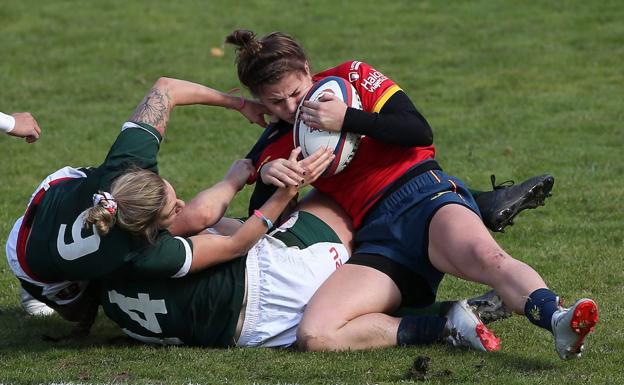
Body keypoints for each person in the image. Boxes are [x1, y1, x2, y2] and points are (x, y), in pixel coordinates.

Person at [223, 30, 598, 359]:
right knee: (317, 332)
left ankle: (558, 319)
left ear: (307, 68)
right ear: (259, 99)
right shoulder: (273, 142)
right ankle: (447, 324)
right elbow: (266, 225)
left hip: (422, 197)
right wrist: (273, 180)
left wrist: (347, 119)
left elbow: (418, 130)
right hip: (376, 236)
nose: (291, 108)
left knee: (489, 259)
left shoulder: (352, 77)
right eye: (275, 102)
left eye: (294, 93)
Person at [5, 76, 333, 331]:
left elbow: (166, 89)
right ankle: (34, 291)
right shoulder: (147, 253)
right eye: (170, 211)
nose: (181, 205)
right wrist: (285, 194)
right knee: (83, 315)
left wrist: (240, 103)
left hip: (51, 195)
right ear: (147, 232)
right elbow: (235, 244)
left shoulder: (129, 161)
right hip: (31, 261)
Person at [99, 191, 508, 350]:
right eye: (173, 205)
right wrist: (281, 191)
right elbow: (238, 237)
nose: (182, 204)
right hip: (281, 276)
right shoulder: (159, 252)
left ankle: (445, 321)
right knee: (345, 197)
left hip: (260, 336)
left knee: (344, 316)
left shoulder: (108, 295)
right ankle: (461, 200)